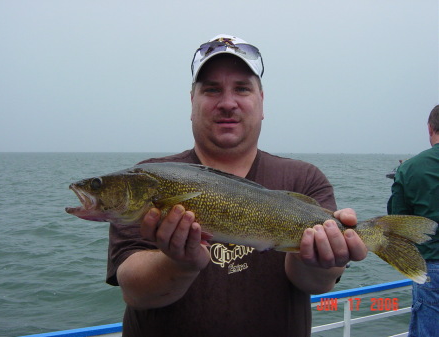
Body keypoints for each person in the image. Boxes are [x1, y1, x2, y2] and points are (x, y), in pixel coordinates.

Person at [107, 34, 368, 336]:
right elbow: (135, 291)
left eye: (242, 89)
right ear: (192, 102)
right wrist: (179, 264)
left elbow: (317, 283)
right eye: (212, 90)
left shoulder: (305, 179)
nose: (227, 103)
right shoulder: (148, 177)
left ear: (261, 100)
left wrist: (319, 258)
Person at [387, 105, 439, 337]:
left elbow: (396, 220)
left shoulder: (410, 168)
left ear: (430, 128)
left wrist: (400, 178)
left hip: (432, 266)